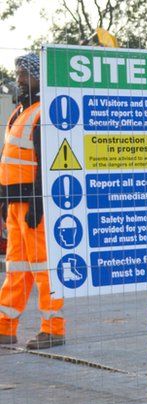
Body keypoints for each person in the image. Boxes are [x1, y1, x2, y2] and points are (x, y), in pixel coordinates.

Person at [0, 53, 66, 349]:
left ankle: (53, 329)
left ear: (40, 77)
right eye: (18, 74)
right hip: (14, 204)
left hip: (33, 204)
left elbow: (47, 164)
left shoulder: (43, 113)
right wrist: (5, 201)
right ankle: (5, 327)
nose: (19, 80)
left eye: (25, 74)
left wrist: (38, 204)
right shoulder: (18, 113)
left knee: (42, 267)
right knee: (16, 267)